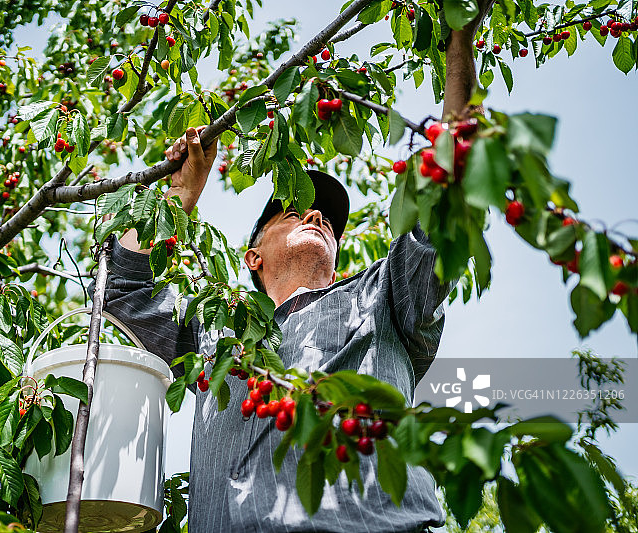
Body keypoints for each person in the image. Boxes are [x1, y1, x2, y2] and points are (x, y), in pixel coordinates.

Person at [98, 19, 486, 531]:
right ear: (253, 257)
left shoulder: (383, 297)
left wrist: (459, 37)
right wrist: (179, 196)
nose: (317, 217)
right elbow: (123, 289)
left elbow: (451, 185)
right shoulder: (218, 333)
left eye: (326, 218)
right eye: (293, 211)